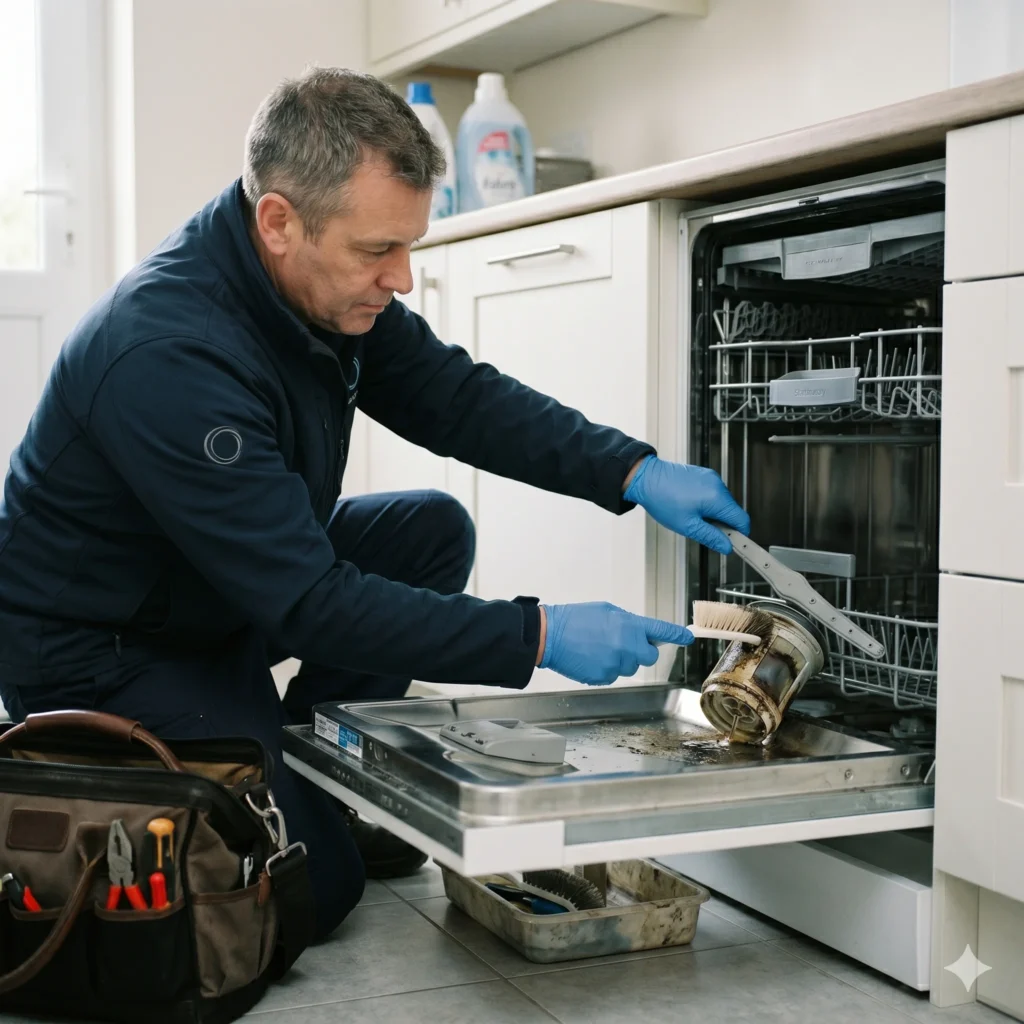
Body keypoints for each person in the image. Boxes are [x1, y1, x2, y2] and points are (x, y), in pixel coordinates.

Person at [0, 67, 749, 940]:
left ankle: (292, 762)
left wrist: (631, 471)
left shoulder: (315, 280)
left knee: (428, 529)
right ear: (278, 220)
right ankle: (272, 774)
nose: (400, 276)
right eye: (376, 251)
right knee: (318, 888)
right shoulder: (169, 356)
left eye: (406, 246)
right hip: (105, 648)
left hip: (212, 593)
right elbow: (310, 604)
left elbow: (457, 398)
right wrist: (535, 634)